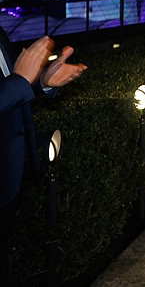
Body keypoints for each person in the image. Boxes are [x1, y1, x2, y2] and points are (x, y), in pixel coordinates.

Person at [1, 31, 87, 280]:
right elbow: (14, 84)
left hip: (11, 179)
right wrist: (20, 81)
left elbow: (10, 88)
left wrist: (42, 82)